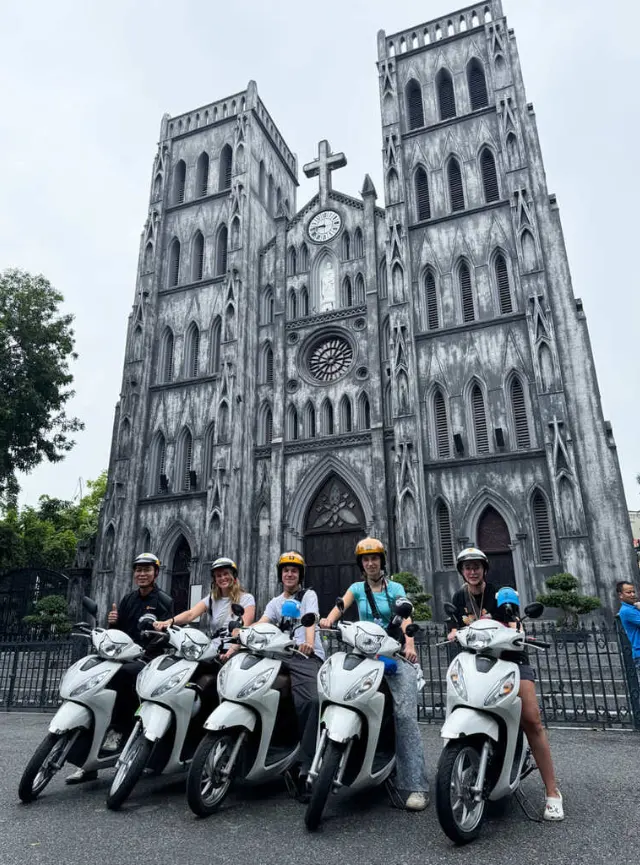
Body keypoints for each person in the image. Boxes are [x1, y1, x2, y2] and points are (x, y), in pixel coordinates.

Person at [447, 547, 564, 821]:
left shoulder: (501, 594)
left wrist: (511, 627)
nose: (472, 571)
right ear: (462, 571)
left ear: (484, 569)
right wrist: (454, 632)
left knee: (531, 719)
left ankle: (552, 792)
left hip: (511, 660)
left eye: (477, 566)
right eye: (467, 567)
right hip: (476, 663)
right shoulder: (458, 597)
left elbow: (515, 624)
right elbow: (452, 628)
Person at [319, 537, 429, 812]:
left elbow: (406, 617)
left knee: (404, 715)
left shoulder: (395, 588)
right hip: (365, 654)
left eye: (375, 558)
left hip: (393, 654)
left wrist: (411, 644)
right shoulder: (357, 588)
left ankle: (415, 785)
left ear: (382, 561)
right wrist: (329, 620)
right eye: (366, 559)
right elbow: (341, 606)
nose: (370, 563)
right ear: (361, 564)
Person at [66, 552, 174, 784]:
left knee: (124, 676)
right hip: (121, 657)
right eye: (138, 570)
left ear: (156, 573)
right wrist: (112, 622)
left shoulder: (162, 601)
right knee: (93, 680)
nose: (142, 574)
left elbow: (166, 634)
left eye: (147, 570)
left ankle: (117, 730)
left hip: (146, 661)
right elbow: (118, 633)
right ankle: (86, 763)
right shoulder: (128, 600)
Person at [258, 551, 323, 799]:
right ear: (280, 574)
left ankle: (306, 766)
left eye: (294, 570)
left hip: (304, 654)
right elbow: (263, 622)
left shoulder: (308, 596)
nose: (289, 573)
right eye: (285, 570)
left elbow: (310, 621)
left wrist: (307, 644)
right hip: (279, 655)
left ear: (300, 575)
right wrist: (241, 631)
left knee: (311, 701)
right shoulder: (275, 603)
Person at [153, 556, 256, 653]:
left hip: (236, 650)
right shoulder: (212, 599)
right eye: (218, 576)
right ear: (215, 580)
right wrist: (169, 622)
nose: (222, 578)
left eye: (226, 574)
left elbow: (244, 629)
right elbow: (191, 614)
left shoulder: (246, 599)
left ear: (233, 576)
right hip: (215, 650)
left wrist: (230, 652)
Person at [616, 581, 640, 675]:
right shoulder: (627, 611)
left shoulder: (634, 608)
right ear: (620, 595)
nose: (632, 594)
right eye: (628, 592)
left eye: (633, 592)